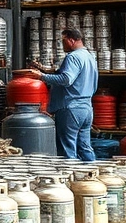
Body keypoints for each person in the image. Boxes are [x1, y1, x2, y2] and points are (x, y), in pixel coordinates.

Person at [28, 28, 98, 161]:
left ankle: (69, 179)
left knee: (67, 150)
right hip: (86, 108)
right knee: (85, 147)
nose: (62, 44)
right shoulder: (89, 56)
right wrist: (47, 70)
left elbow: (67, 79)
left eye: (63, 41)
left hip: (70, 108)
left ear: (71, 40)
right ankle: (91, 177)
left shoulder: (73, 57)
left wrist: (41, 76)